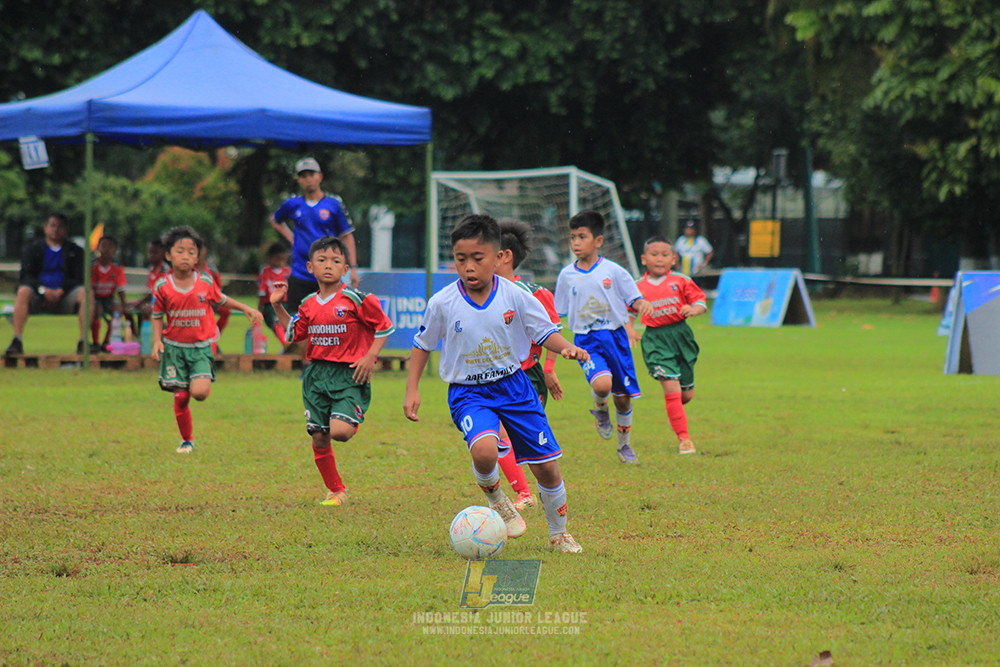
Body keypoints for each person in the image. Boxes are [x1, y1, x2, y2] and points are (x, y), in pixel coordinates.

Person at [404, 214, 589, 553]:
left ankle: (559, 533)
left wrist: (567, 349)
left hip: (515, 388)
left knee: (546, 468)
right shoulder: (443, 302)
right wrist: (412, 389)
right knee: (485, 451)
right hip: (468, 392)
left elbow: (545, 331)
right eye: (461, 259)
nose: (469, 267)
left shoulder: (514, 295)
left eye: (478, 258)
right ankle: (497, 499)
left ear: (498, 256)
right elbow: (422, 344)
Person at [269, 236, 394, 506]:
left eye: (336, 261)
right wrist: (278, 305)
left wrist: (370, 356)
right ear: (309, 267)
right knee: (319, 435)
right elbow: (293, 333)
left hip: (349, 374)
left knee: (340, 432)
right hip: (316, 377)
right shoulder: (307, 304)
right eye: (322, 260)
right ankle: (336, 490)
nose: (329, 265)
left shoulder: (356, 299)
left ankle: (351, 417)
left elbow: (385, 327)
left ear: (345, 269)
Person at [151, 226, 263, 454]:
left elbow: (222, 300)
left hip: (201, 347)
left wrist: (246, 308)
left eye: (191, 252)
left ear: (197, 257)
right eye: (180, 251)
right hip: (174, 348)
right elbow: (156, 315)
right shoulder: (162, 286)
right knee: (181, 397)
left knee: (199, 393)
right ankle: (186, 440)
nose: (186, 256)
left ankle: (198, 379)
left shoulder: (205, 281)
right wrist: (156, 341)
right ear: (168, 255)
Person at [554, 210, 653, 464]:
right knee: (602, 385)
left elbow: (635, 297)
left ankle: (624, 446)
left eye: (582, 237)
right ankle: (600, 410)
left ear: (597, 241)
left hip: (616, 338)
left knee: (621, 397)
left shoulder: (614, 271)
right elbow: (559, 311)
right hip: (586, 340)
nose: (575, 242)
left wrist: (642, 305)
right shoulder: (567, 275)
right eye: (573, 237)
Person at [494, 217, 564, 511]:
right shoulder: (483, 292)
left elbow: (553, 331)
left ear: (505, 257)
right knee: (498, 436)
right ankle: (523, 492)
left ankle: (541, 489)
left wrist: (549, 370)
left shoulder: (535, 293)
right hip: (494, 376)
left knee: (523, 438)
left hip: (529, 376)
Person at [631, 237, 707, 455]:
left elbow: (700, 302)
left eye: (665, 254)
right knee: (671, 386)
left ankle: (675, 409)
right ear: (644, 259)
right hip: (655, 339)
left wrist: (693, 310)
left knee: (686, 396)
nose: (660, 259)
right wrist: (630, 328)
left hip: (681, 336)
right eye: (654, 254)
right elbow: (628, 311)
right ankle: (684, 440)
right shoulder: (638, 286)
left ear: (674, 259)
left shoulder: (681, 280)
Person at [269, 158, 360, 315]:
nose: (308, 179)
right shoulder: (293, 204)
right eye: (303, 176)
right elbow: (275, 220)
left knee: (331, 322)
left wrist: (353, 268)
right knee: (296, 324)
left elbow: (347, 236)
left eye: (311, 174)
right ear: (298, 180)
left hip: (328, 274)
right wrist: (291, 237)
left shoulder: (333, 204)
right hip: (300, 272)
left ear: (320, 176)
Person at [5, 212, 86, 356]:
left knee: (86, 293)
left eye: (60, 226)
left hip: (65, 295)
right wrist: (43, 290)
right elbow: (26, 276)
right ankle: (17, 340)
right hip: (39, 295)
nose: (56, 229)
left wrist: (61, 290)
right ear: (45, 228)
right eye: (52, 225)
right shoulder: (33, 250)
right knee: (23, 291)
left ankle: (84, 341)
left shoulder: (76, 251)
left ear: (66, 229)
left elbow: (79, 277)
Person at [89, 234, 130, 352]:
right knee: (97, 310)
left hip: (109, 297)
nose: (106, 250)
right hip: (95, 297)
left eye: (110, 247)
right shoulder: (93, 265)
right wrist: (92, 303)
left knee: (117, 310)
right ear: (98, 248)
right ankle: (95, 342)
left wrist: (124, 305)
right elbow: (90, 288)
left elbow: (121, 288)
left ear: (115, 250)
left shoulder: (117, 266)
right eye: (104, 246)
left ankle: (107, 341)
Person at [128, 238, 170, 325]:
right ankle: (135, 334)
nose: (151, 255)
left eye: (155, 252)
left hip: (164, 302)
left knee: (145, 309)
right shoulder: (151, 269)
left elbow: (155, 292)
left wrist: (140, 302)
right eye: (150, 252)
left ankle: (149, 333)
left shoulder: (164, 270)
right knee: (126, 306)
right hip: (152, 301)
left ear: (163, 254)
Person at [257, 242, 291, 346]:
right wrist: (259, 310)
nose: (281, 262)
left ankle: (291, 346)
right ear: (269, 258)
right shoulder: (265, 272)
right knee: (277, 323)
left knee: (292, 325)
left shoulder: (288, 272)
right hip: (270, 306)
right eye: (277, 259)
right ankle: (286, 345)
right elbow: (261, 293)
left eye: (283, 259)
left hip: (286, 304)